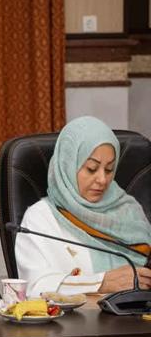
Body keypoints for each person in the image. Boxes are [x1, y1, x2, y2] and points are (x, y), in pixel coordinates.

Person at [16, 116, 151, 298]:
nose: (102, 179)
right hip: (76, 317)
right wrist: (100, 283)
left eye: (109, 169)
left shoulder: (129, 210)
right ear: (68, 165)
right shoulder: (40, 219)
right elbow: (34, 287)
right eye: (91, 168)